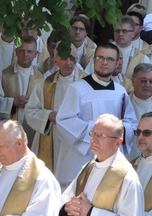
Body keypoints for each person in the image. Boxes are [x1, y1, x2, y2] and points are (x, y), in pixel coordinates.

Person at [55, 42, 138, 190]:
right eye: (100, 57)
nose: (104, 63)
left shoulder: (121, 92)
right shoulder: (77, 88)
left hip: (110, 160)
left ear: (117, 63)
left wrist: (117, 132)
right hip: (80, 159)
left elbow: (131, 123)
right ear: (94, 60)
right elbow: (63, 121)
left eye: (110, 59)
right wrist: (99, 135)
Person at [25, 43, 85, 175]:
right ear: (55, 60)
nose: (69, 62)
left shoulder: (86, 83)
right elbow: (30, 111)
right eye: (64, 58)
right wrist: (49, 116)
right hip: (52, 136)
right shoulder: (45, 84)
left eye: (72, 58)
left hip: (77, 139)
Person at [0, 35, 45, 142]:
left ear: (36, 54)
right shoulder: (1, 75)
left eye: (29, 52)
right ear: (16, 51)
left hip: (30, 131)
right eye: (22, 51)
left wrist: (32, 103)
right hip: (6, 131)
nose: (25, 55)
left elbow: (44, 107)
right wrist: (12, 102)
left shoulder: (42, 79)